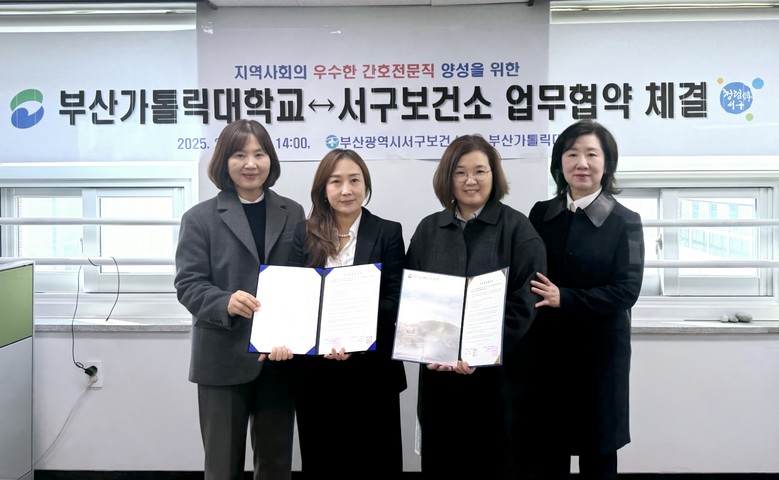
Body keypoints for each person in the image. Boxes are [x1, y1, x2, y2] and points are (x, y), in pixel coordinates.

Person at [405, 134, 546, 479]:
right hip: (439, 377)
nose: (471, 180)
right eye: (460, 172)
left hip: (497, 381)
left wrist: (478, 351)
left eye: (480, 171)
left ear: (494, 175)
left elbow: (525, 304)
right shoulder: (429, 229)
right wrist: (426, 345)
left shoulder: (518, 229)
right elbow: (413, 298)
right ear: (447, 178)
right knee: (442, 464)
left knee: (495, 465)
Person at [174, 119, 305, 480]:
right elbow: (188, 284)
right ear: (224, 162)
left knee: (276, 466)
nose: (250, 163)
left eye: (259, 154)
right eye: (239, 155)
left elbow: (303, 278)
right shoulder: (199, 218)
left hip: (279, 358)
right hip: (221, 356)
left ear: (270, 160)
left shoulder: (293, 212)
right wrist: (224, 302)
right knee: (222, 467)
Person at [517, 119, 645, 479]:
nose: (582, 163)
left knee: (598, 451)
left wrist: (566, 298)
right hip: (547, 353)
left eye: (592, 154)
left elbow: (627, 290)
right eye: (572, 154)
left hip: (600, 357)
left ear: (607, 163)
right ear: (560, 162)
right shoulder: (541, 214)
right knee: (547, 451)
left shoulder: (627, 221)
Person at [288, 149, 407, 479]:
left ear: (365, 185)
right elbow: (297, 296)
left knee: (376, 463)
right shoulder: (304, 233)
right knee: (323, 462)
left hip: (372, 374)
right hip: (316, 375)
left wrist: (354, 336)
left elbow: (394, 298)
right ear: (323, 189)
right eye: (336, 181)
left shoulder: (387, 232)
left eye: (354, 180)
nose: (346, 190)